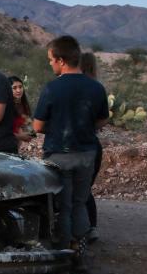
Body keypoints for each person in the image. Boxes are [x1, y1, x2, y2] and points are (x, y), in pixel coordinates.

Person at [32, 36, 109, 249]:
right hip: (86, 153)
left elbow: (38, 126)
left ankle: (65, 253)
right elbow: (103, 119)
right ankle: (80, 250)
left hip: (59, 155)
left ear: (61, 60)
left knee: (63, 207)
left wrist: (56, 127)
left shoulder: (52, 88)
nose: (50, 63)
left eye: (51, 59)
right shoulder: (96, 87)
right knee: (80, 203)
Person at [79, 52, 103, 241]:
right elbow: (103, 119)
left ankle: (77, 231)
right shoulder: (97, 88)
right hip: (92, 144)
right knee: (86, 189)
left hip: (75, 144)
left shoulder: (71, 87)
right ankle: (91, 227)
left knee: (75, 190)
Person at [9, 76, 34, 143]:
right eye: (14, 88)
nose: (18, 90)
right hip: (4, 145)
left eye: (20, 87)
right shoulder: (6, 107)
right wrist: (20, 136)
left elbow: (30, 130)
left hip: (16, 146)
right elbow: (2, 132)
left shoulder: (23, 105)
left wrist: (30, 133)